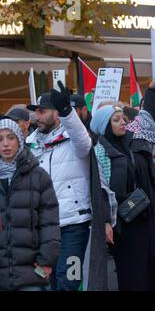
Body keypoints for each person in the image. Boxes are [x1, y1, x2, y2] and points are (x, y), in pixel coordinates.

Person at [90, 101, 155, 291]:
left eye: (123, 119)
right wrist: (106, 221)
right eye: (116, 120)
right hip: (125, 224)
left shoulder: (135, 141)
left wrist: (152, 93)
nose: (122, 123)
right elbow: (100, 189)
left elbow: (149, 117)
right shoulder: (99, 152)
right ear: (104, 125)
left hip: (150, 217)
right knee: (133, 273)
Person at [26, 85, 93, 291]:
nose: (37, 116)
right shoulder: (30, 145)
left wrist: (68, 113)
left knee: (68, 282)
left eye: (42, 111)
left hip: (73, 224)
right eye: (35, 111)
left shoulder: (75, 140)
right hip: (43, 227)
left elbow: (84, 141)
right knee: (48, 281)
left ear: (56, 113)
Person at [0, 119, 60, 291]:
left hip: (32, 270)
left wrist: (45, 262)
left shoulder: (39, 176)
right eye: (0, 139)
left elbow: (49, 223)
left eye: (11, 137)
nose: (5, 144)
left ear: (19, 139)